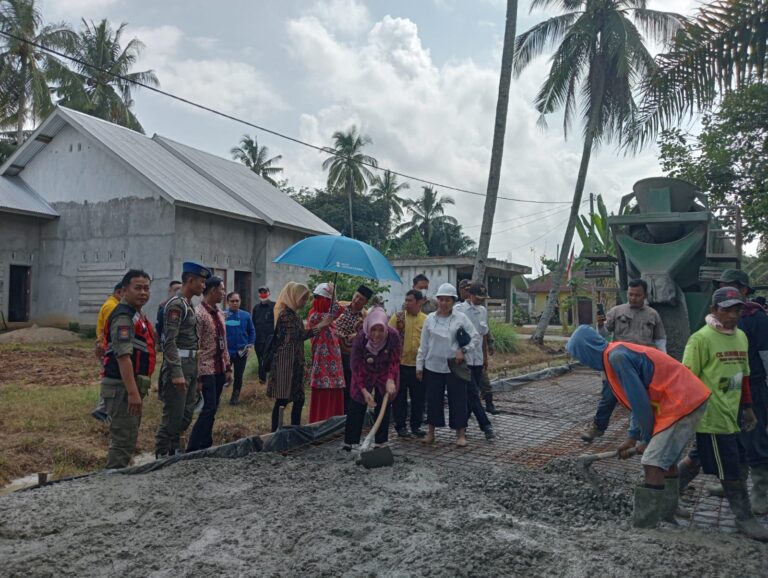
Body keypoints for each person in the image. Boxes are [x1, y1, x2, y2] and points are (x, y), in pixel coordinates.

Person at [566, 325, 710, 528]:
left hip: (681, 402)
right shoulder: (614, 355)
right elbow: (637, 402)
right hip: (682, 399)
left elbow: (641, 403)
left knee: (651, 462)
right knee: (665, 461)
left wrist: (647, 439)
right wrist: (632, 437)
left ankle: (646, 526)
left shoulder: (617, 358)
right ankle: (668, 511)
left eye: (579, 355)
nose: (582, 361)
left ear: (586, 350)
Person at [676, 287, 767, 541]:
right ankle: (744, 518)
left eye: (737, 309)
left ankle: (665, 496)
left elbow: (744, 375)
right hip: (711, 416)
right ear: (714, 310)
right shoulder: (701, 339)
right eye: (727, 310)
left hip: (733, 413)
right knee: (731, 468)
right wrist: (687, 413)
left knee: (698, 457)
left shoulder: (741, 337)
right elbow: (687, 378)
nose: (733, 315)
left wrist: (748, 408)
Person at [582, 278, 667, 442]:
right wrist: (600, 326)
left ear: (645, 295)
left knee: (641, 399)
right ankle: (597, 428)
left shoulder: (653, 315)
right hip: (619, 363)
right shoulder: (616, 311)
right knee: (609, 396)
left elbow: (660, 341)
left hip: (642, 364)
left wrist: (661, 363)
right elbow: (604, 334)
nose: (633, 298)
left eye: (637, 295)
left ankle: (639, 436)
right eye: (630, 294)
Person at [712, 271, 768, 514]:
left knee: (755, 438)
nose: (727, 291)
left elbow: (766, 354)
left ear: (744, 290)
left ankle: (760, 493)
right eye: (723, 287)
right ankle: (734, 486)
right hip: (727, 385)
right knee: (733, 437)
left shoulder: (756, 317)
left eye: (731, 287)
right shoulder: (715, 320)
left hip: (752, 385)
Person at [155, 261, 210, 458]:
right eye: (201, 282)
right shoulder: (176, 305)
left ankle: (173, 450)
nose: (203, 286)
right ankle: (161, 455)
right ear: (190, 280)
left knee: (186, 414)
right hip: (177, 365)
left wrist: (195, 374)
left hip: (190, 364)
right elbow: (169, 342)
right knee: (173, 415)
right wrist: (177, 374)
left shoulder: (188, 304)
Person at [100, 269, 155, 468]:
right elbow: (123, 357)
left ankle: (121, 477)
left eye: (146, 288)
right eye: (138, 288)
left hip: (130, 386)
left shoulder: (136, 314)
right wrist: (133, 393)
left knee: (129, 436)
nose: (143, 293)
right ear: (124, 290)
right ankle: (113, 481)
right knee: (123, 440)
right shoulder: (123, 317)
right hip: (121, 388)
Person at [417, 282, 481, 447]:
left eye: (448, 300)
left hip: (454, 365)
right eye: (441, 299)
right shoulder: (430, 319)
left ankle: (460, 434)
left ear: (453, 301)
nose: (444, 303)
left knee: (458, 399)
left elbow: (475, 337)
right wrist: (419, 365)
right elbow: (423, 345)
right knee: (433, 400)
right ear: (437, 300)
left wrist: (463, 350)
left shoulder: (461, 318)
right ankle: (431, 433)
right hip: (433, 365)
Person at [267, 282, 330, 431]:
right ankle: (276, 433)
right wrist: (321, 326)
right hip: (285, 364)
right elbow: (297, 336)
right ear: (293, 297)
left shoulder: (293, 314)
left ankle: (294, 430)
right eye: (303, 299)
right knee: (282, 401)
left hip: (294, 363)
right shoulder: (285, 315)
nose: (304, 302)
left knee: (299, 399)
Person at [344, 307, 401, 449]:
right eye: (373, 329)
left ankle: (380, 441)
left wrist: (390, 379)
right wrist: (364, 390)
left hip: (385, 371)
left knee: (384, 403)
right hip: (364, 370)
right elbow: (355, 366)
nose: (376, 334)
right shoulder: (361, 338)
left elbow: (394, 360)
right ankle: (351, 441)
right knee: (357, 402)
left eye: (380, 330)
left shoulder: (393, 336)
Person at [187, 277, 232, 452]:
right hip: (205, 368)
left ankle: (205, 443)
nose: (224, 293)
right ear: (212, 290)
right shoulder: (199, 314)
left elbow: (224, 342)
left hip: (220, 367)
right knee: (208, 407)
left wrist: (228, 367)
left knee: (213, 408)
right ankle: (193, 446)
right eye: (221, 289)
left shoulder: (220, 313)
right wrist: (197, 376)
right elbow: (195, 345)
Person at [454, 282, 495, 440]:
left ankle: (461, 424)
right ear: (470, 295)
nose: (480, 301)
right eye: (478, 298)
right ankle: (486, 426)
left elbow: (483, 335)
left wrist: (485, 357)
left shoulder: (483, 311)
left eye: (482, 298)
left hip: (477, 359)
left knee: (472, 395)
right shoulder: (459, 310)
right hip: (464, 358)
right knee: (473, 393)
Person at [390, 289, 428, 438]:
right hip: (399, 365)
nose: (407, 303)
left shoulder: (426, 319)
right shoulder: (398, 318)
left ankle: (416, 426)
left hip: (418, 367)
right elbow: (388, 338)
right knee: (399, 398)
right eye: (406, 300)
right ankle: (400, 426)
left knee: (418, 398)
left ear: (419, 302)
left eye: (410, 300)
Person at [307, 282, 346, 422]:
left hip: (334, 363)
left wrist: (333, 296)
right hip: (322, 364)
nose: (318, 301)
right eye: (317, 298)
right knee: (323, 393)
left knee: (334, 391)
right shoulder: (315, 316)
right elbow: (338, 310)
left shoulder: (327, 317)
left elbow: (337, 310)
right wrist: (334, 296)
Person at [91, 282, 124, 422]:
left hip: (105, 346)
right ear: (120, 292)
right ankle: (102, 410)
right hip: (107, 348)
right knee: (110, 380)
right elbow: (112, 330)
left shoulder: (111, 304)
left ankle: (104, 409)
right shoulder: (112, 306)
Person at [336, 284, 372, 412]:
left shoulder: (366, 316)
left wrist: (357, 335)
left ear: (366, 302)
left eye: (361, 299)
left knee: (348, 384)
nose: (357, 300)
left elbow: (370, 334)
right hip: (334, 352)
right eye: (356, 296)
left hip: (351, 355)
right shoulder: (340, 306)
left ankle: (346, 413)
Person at [225, 291, 256, 405]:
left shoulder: (246, 315)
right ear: (227, 302)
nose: (235, 303)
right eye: (232, 301)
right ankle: (216, 396)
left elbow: (252, 331)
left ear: (240, 301)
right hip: (226, 352)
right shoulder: (223, 315)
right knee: (223, 375)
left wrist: (249, 345)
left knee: (239, 375)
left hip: (241, 351)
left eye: (237, 301)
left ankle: (235, 398)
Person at [252, 286, 275, 384]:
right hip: (258, 339)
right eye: (261, 292)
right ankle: (262, 380)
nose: (263, 294)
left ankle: (272, 379)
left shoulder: (275, 306)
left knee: (270, 359)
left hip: (270, 339)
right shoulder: (256, 308)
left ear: (269, 293)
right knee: (260, 359)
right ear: (258, 295)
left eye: (265, 292)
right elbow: (253, 324)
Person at [155, 280, 182, 348]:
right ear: (170, 291)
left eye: (180, 290)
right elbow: (159, 327)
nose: (178, 292)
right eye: (176, 290)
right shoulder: (163, 307)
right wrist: (158, 343)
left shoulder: (185, 306)